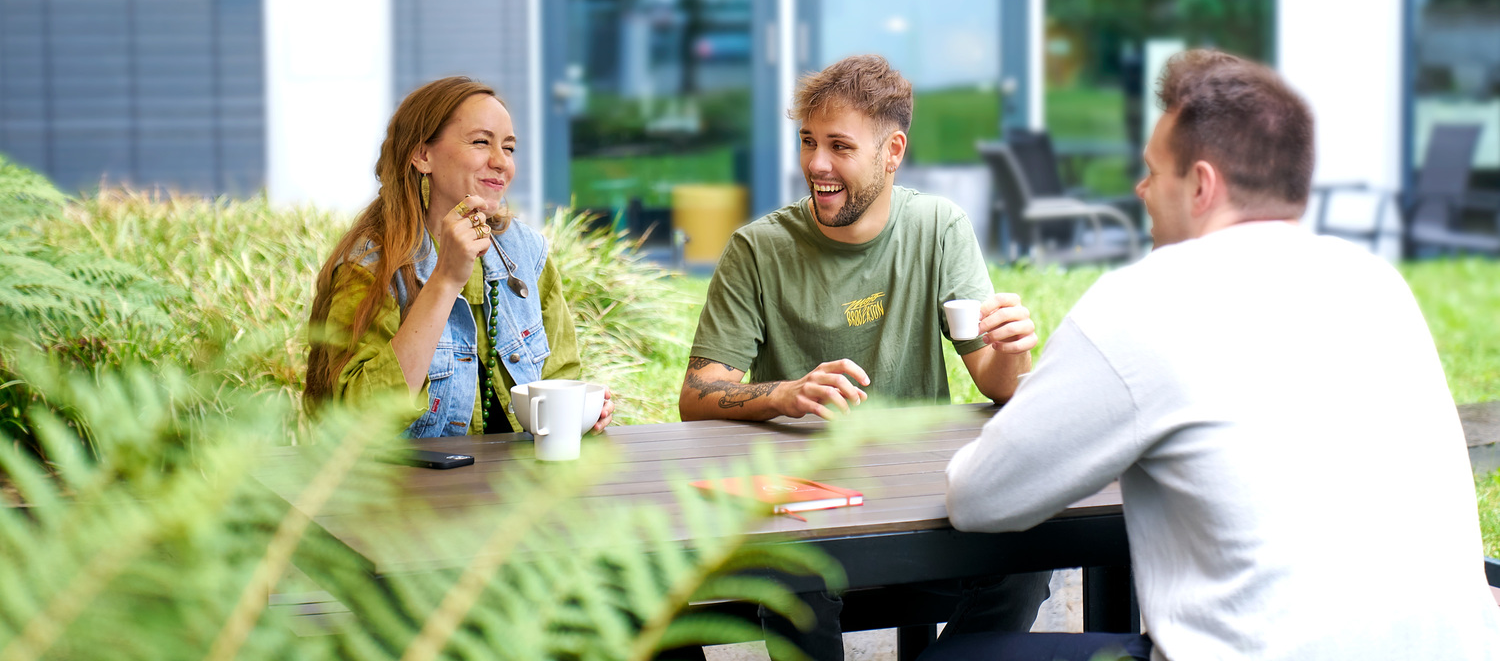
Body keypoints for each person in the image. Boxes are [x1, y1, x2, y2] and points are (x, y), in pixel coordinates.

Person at [934, 50, 1500, 661]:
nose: (1140, 189)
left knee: (954, 658)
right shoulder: (1376, 282)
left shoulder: (1144, 300)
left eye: (1154, 172)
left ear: (1201, 186)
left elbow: (979, 499)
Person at [679, 54, 1051, 661]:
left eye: (838, 146)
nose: (816, 165)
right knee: (790, 575)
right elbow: (697, 393)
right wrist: (783, 393)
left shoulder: (938, 228)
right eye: (807, 142)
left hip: (919, 498)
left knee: (1027, 561)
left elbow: (996, 382)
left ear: (892, 151)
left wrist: (1013, 352)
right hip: (806, 506)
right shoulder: (758, 248)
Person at [304, 76, 613, 437]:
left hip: (521, 486)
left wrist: (580, 415)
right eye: (481, 142)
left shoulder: (526, 252)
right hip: (408, 490)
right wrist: (445, 280)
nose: (501, 162)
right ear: (423, 155)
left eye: (509, 148)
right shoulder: (370, 265)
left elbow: (561, 378)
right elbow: (355, 421)